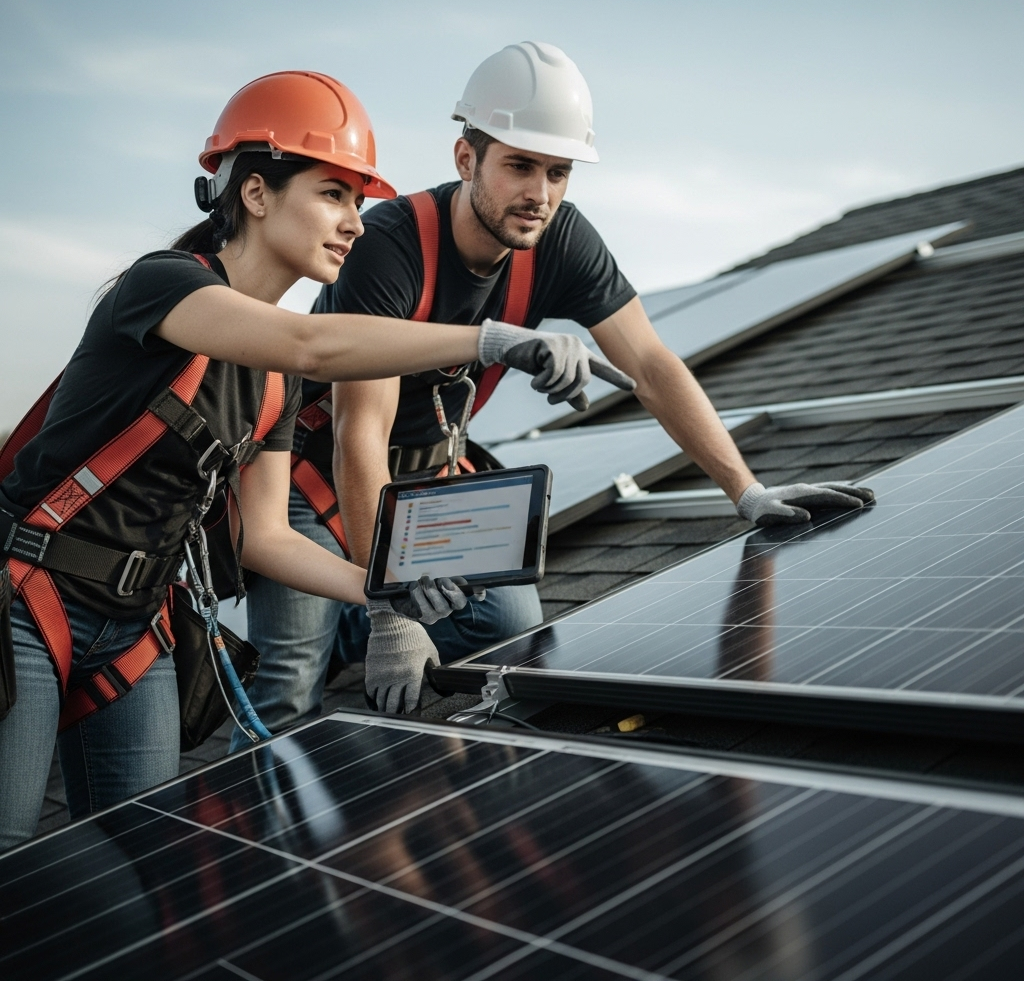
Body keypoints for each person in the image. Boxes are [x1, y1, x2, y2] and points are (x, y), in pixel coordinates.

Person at [0, 69, 630, 850]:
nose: (356, 224)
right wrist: (495, 337)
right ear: (257, 193)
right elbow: (317, 342)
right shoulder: (159, 287)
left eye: (359, 203)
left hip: (135, 629)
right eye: (333, 194)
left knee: (144, 864)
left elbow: (268, 537)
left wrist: (385, 597)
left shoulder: (272, 380)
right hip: (29, 603)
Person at [240, 43, 872, 743]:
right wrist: (394, 612)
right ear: (465, 160)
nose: (539, 193)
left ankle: (347, 617)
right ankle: (328, 625)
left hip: (425, 482)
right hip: (314, 480)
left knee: (507, 627)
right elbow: (361, 434)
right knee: (288, 686)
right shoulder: (390, 246)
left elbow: (652, 364)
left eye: (558, 172)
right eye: (518, 165)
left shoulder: (560, 240)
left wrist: (746, 491)